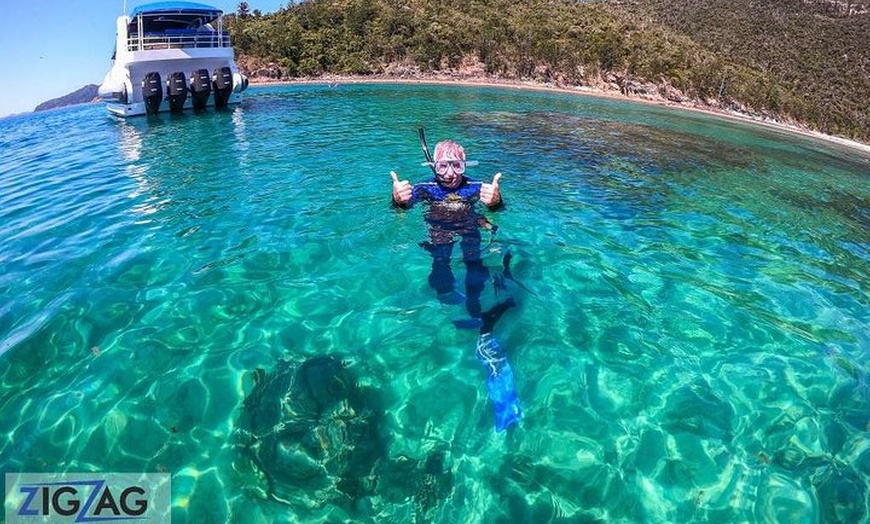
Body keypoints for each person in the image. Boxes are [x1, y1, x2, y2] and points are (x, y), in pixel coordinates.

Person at [390, 139, 503, 322]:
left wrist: (496, 203)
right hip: (439, 227)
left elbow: (495, 208)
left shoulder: (476, 187)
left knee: (474, 261)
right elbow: (404, 207)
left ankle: (475, 304)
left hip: (468, 226)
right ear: (434, 166)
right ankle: (444, 295)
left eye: (457, 166)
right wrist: (398, 201)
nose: (450, 174)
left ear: (464, 165)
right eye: (443, 167)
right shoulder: (424, 188)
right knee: (440, 260)